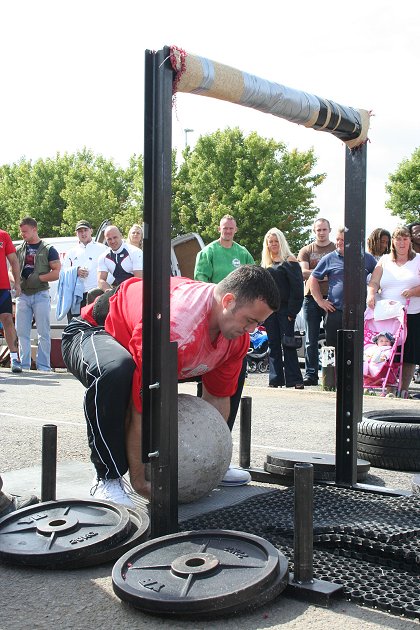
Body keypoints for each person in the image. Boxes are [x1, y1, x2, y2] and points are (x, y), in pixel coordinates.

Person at [62, 265, 279, 506]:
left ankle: (219, 465)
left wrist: (211, 458)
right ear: (228, 301)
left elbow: (217, 398)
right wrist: (140, 479)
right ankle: (108, 477)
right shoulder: (173, 329)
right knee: (117, 371)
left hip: (157, 339)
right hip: (94, 331)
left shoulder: (233, 336)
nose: (251, 331)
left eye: (257, 324)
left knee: (233, 368)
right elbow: (140, 409)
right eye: (249, 321)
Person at [194, 214, 255, 485]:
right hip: (213, 326)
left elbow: (255, 286)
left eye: (231, 227)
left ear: (235, 229)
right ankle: (198, 455)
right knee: (207, 390)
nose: (228, 231)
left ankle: (221, 456)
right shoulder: (208, 252)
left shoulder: (243, 253)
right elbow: (201, 284)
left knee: (231, 389)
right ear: (219, 229)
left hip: (237, 328)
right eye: (224, 228)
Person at [367, 226, 420, 398]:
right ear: (393, 242)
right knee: (388, 350)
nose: (402, 242)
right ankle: (389, 387)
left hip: (411, 312)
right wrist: (371, 295)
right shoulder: (384, 260)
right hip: (388, 314)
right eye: (398, 239)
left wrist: (413, 292)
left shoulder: (418, 259)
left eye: (405, 239)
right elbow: (374, 282)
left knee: (409, 353)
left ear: (410, 241)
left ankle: (403, 389)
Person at [309, 228, 377, 349]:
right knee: (334, 351)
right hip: (335, 312)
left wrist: (374, 293)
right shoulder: (329, 258)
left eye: (343, 240)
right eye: (337, 239)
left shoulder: (367, 258)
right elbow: (312, 279)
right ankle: (335, 369)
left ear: (353, 241)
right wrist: (320, 301)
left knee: (358, 350)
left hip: (359, 313)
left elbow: (378, 276)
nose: (339, 242)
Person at [15, 217, 61, 372]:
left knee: (43, 332)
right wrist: (16, 281)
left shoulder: (49, 249)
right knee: (22, 332)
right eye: (21, 232)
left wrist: (38, 278)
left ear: (34, 229)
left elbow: (56, 273)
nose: (22, 234)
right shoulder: (19, 249)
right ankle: (24, 366)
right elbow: (11, 269)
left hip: (41, 293)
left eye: (25, 231)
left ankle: (44, 367)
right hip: (23, 294)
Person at [261, 228, 304, 389]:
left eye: (276, 241)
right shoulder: (266, 263)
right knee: (273, 344)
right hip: (270, 311)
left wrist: (292, 312)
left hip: (286, 310)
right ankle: (275, 379)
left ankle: (295, 380)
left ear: (281, 242)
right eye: (270, 241)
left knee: (288, 344)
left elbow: (297, 289)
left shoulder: (290, 260)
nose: (273, 244)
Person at [298, 218, 336, 385]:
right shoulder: (306, 250)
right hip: (310, 298)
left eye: (324, 229)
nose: (321, 232)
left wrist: (315, 274)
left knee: (332, 337)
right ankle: (311, 375)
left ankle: (332, 377)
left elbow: (341, 271)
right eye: (318, 230)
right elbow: (303, 273)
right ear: (314, 231)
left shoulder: (336, 248)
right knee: (311, 339)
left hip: (332, 298)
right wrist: (326, 272)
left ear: (329, 230)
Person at [61, 220, 106, 321]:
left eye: (85, 230)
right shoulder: (71, 252)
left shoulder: (103, 249)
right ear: (76, 234)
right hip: (76, 295)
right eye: (80, 231)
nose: (83, 233)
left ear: (91, 231)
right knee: (75, 325)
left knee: (95, 325)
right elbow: (63, 272)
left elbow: (110, 271)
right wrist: (75, 271)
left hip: (96, 294)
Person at [0, 228, 22, 373]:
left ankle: (15, 357)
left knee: (7, 319)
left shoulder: (3, 235)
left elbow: (14, 261)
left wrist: (17, 283)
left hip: (2, 287)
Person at [97, 225, 143, 290]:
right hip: (117, 290)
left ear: (121, 236)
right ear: (105, 239)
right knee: (93, 294)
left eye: (115, 237)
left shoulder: (135, 252)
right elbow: (100, 280)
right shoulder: (103, 257)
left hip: (135, 289)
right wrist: (108, 290)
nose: (112, 241)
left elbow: (139, 280)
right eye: (109, 239)